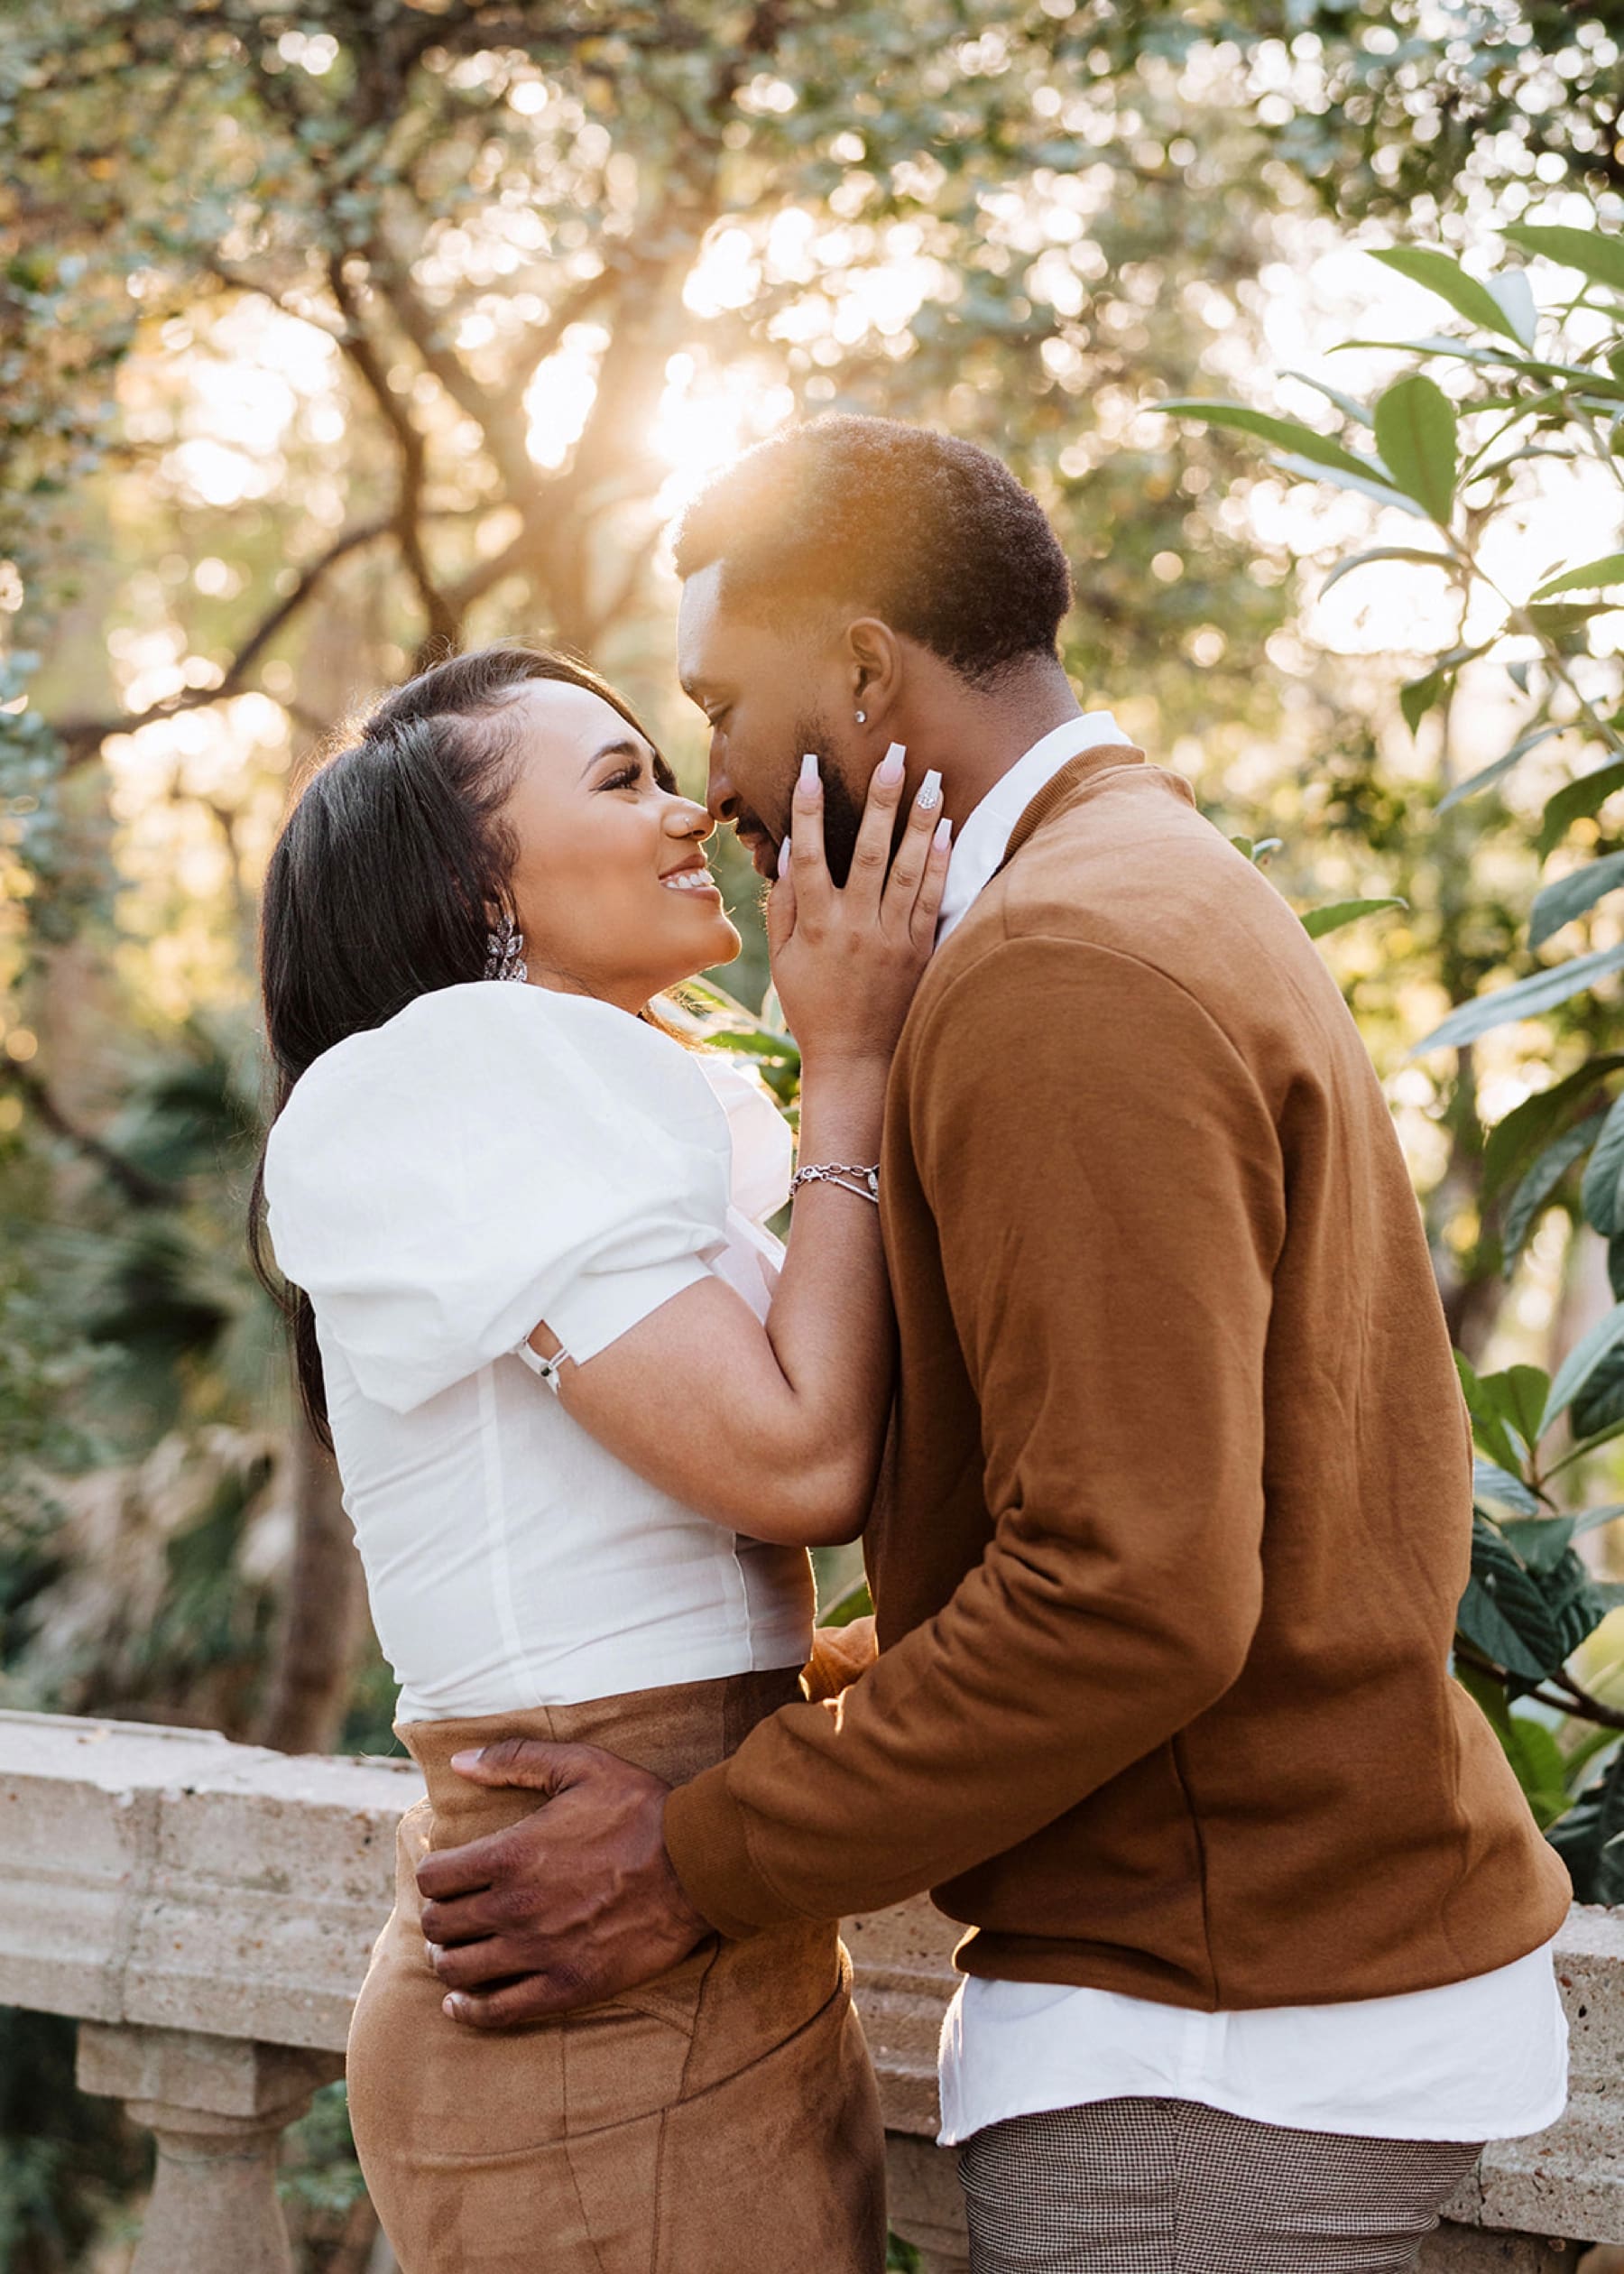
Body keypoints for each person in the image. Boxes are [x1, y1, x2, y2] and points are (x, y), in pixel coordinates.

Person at [417, 420, 1574, 2274]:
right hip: (1248, 2008)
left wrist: (692, 1854)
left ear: (870, 670)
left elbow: (1129, 1593)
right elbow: (1173, 1501)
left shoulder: (1066, 965)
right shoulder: (1139, 884)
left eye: (723, 707)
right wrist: (809, 1689)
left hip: (1215, 2055)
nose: (714, 785)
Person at [253, 642, 953, 2273]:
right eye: (621, 778)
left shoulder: (571, 1099)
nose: (692, 807)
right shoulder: (477, 1074)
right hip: (596, 2027)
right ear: (474, 879)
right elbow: (794, 1465)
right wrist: (848, 1059)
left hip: (665, 1961)